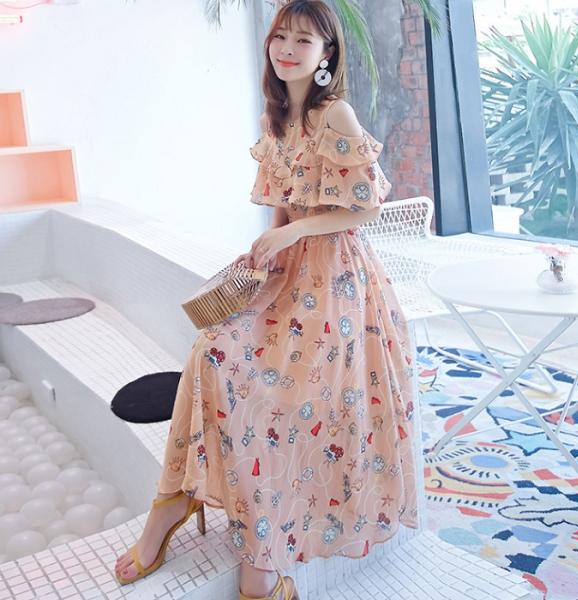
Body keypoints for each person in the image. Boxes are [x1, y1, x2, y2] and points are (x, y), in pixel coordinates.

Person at [114, 1, 418, 598]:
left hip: (337, 281)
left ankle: (260, 554)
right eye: (281, 37)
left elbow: (365, 207)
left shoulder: (335, 115)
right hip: (290, 273)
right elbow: (284, 203)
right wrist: (266, 248)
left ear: (327, 53)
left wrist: (292, 232)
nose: (287, 49)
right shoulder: (275, 118)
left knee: (278, 398)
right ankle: (174, 498)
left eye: (304, 40)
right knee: (213, 352)